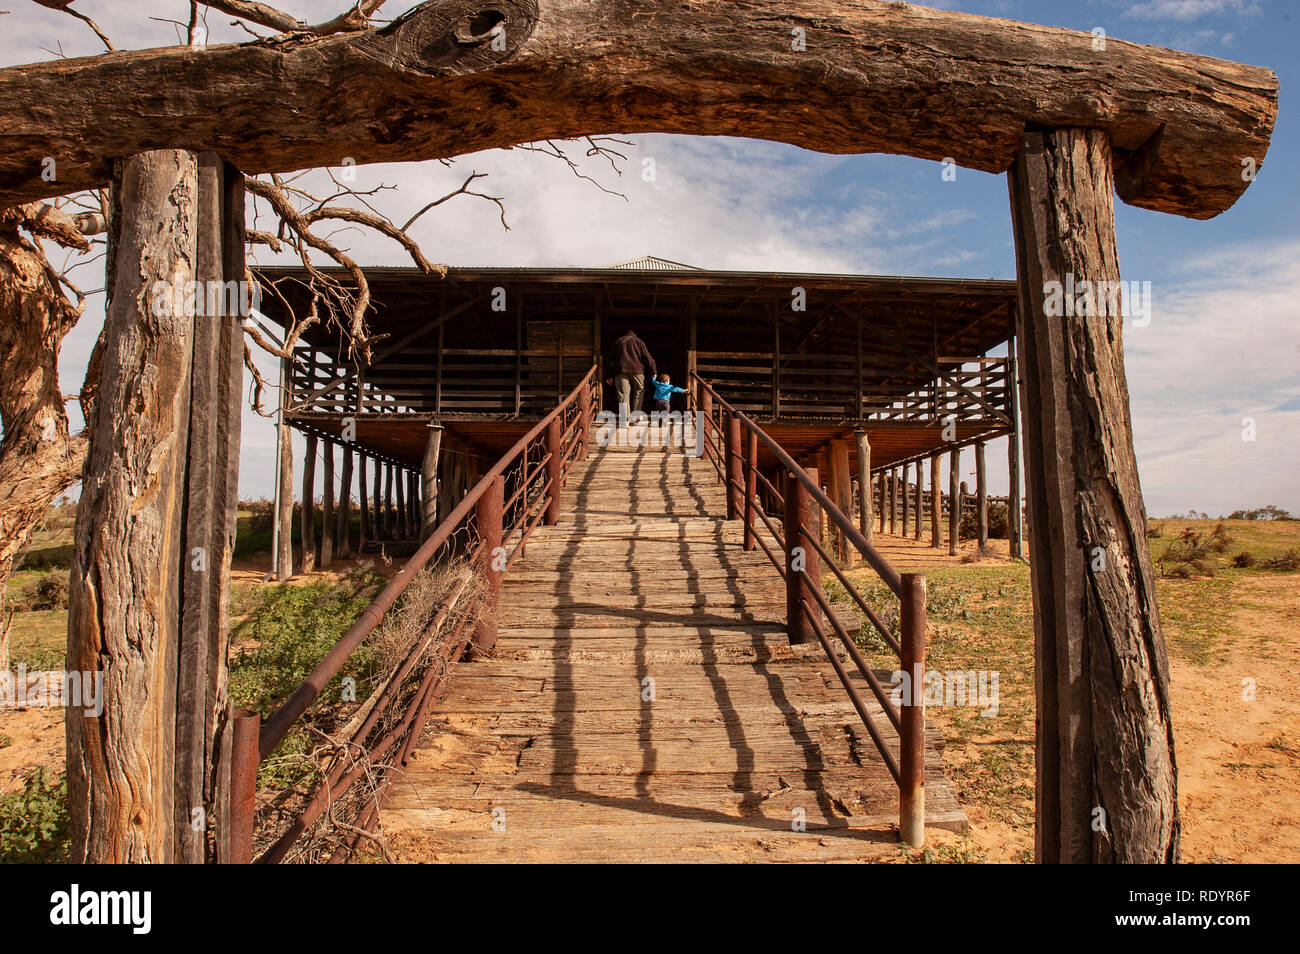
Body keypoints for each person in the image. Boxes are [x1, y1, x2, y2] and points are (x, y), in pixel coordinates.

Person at [607, 329, 656, 418]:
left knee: (623, 394)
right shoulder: (638, 341)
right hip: (637, 371)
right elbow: (648, 358)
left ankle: (625, 420)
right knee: (639, 390)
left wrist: (609, 375)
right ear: (634, 335)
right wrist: (653, 371)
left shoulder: (618, 341)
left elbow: (609, 359)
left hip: (620, 371)